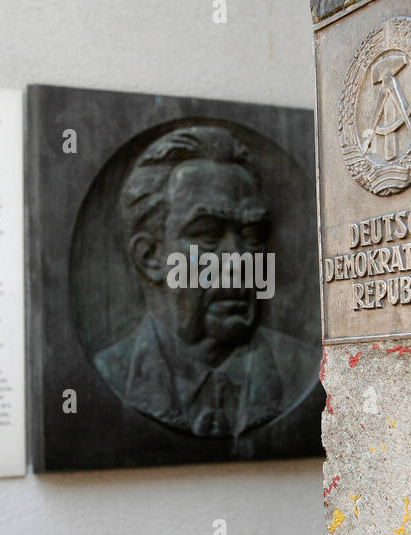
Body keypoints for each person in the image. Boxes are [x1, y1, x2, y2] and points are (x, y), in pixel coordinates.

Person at [94, 125, 316, 437]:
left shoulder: (304, 368)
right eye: (208, 235)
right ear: (150, 257)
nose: (238, 260)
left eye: (252, 236)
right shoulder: (112, 372)